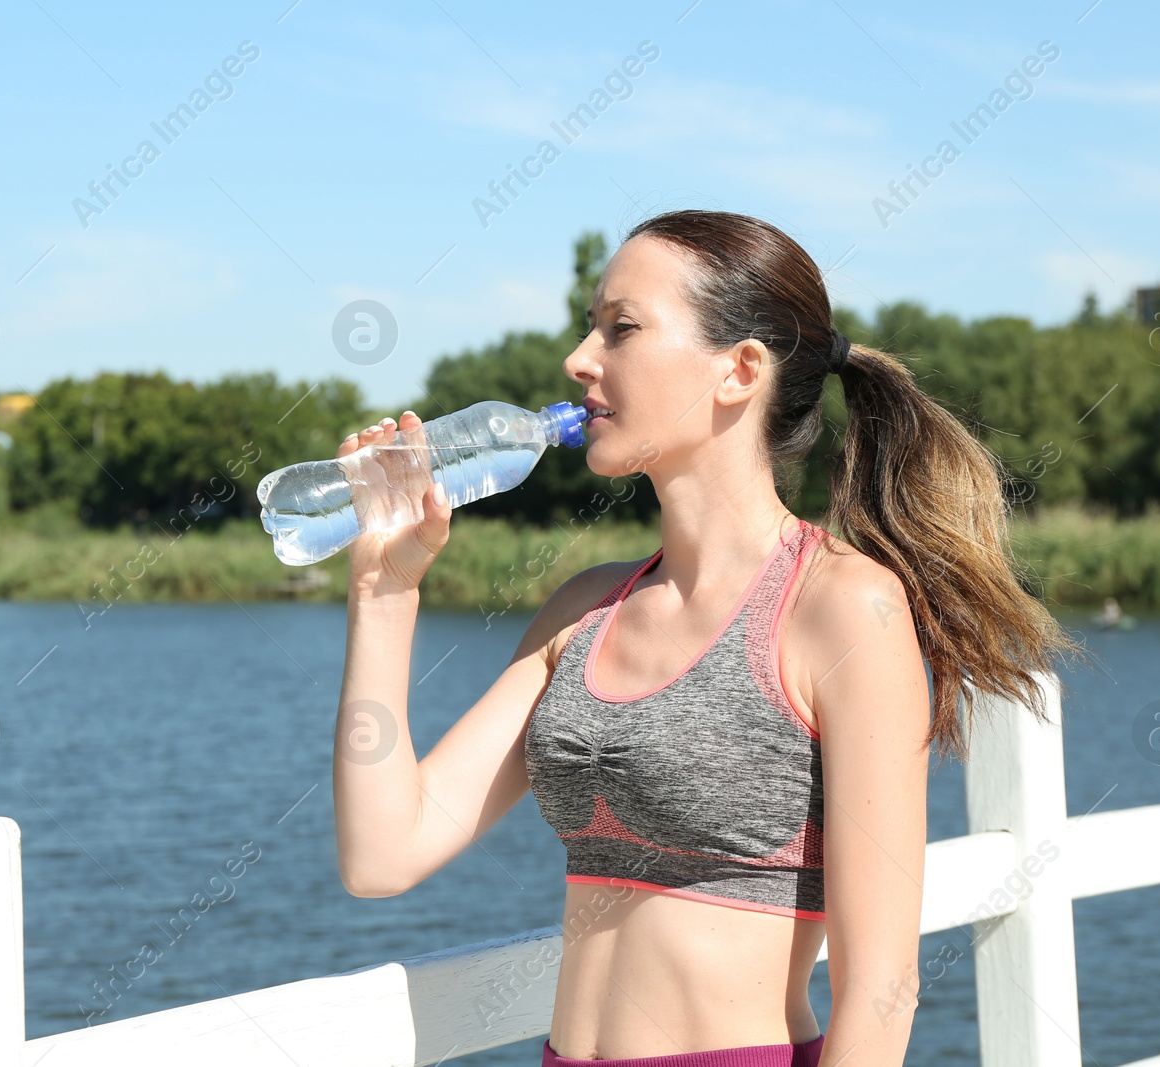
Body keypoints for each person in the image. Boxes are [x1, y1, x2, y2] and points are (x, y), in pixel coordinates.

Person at [331, 209, 1087, 1067]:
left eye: (621, 329)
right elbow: (382, 851)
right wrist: (384, 593)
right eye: (591, 327)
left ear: (740, 369)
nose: (579, 359)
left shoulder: (842, 609)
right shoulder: (585, 610)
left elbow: (883, 987)